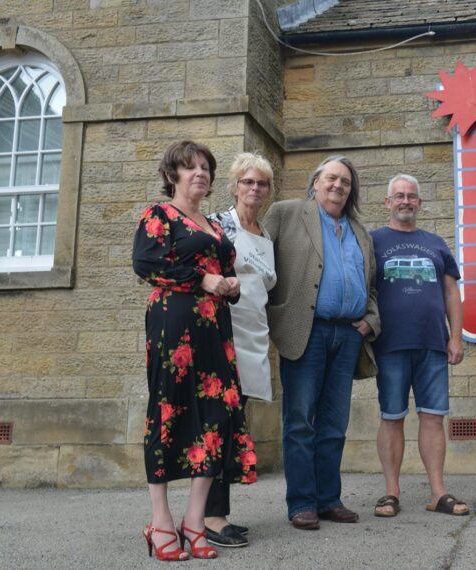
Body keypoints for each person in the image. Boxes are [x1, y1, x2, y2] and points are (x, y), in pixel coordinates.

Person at [133, 140, 257, 561]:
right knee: (169, 412)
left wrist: (230, 285)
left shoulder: (216, 226)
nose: (199, 173)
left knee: (217, 415)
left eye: (205, 167)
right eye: (190, 168)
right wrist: (203, 280)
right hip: (174, 325)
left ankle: (194, 520)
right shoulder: (159, 215)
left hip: (214, 331)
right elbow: (146, 263)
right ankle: (161, 522)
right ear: (173, 175)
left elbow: (225, 270)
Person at [262, 155, 380, 531]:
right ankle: (301, 502)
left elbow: (371, 286)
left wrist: (371, 320)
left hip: (347, 335)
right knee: (300, 421)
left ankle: (329, 499)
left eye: (345, 182)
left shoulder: (360, 231)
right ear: (315, 182)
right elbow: (257, 264)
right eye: (331, 179)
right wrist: (271, 314)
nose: (338, 186)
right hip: (305, 331)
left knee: (334, 423)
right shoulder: (286, 213)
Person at [370, 174, 468, 518]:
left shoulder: (437, 243)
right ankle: (391, 493)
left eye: (412, 196)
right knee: (392, 417)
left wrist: (455, 337)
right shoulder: (372, 241)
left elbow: (451, 293)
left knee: (433, 418)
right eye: (399, 196)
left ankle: (438, 492)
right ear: (388, 202)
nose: (406, 201)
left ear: (420, 203)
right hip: (390, 345)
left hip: (432, 345)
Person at [203, 152, 277, 548]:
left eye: (261, 183)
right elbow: (204, 273)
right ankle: (211, 518)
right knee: (217, 426)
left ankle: (218, 513)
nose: (254, 188)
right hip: (222, 338)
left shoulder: (264, 234)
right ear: (234, 186)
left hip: (253, 339)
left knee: (233, 428)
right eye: (247, 182)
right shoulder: (218, 225)